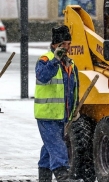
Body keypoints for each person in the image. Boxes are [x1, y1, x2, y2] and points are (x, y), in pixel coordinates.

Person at [34, 25, 79, 182]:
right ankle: (63, 175)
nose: (67, 47)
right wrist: (55, 60)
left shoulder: (70, 64)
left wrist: (74, 109)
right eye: (63, 44)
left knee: (49, 148)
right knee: (58, 146)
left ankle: (44, 177)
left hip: (62, 116)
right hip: (47, 115)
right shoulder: (45, 60)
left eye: (69, 44)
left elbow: (74, 89)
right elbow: (42, 77)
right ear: (55, 45)